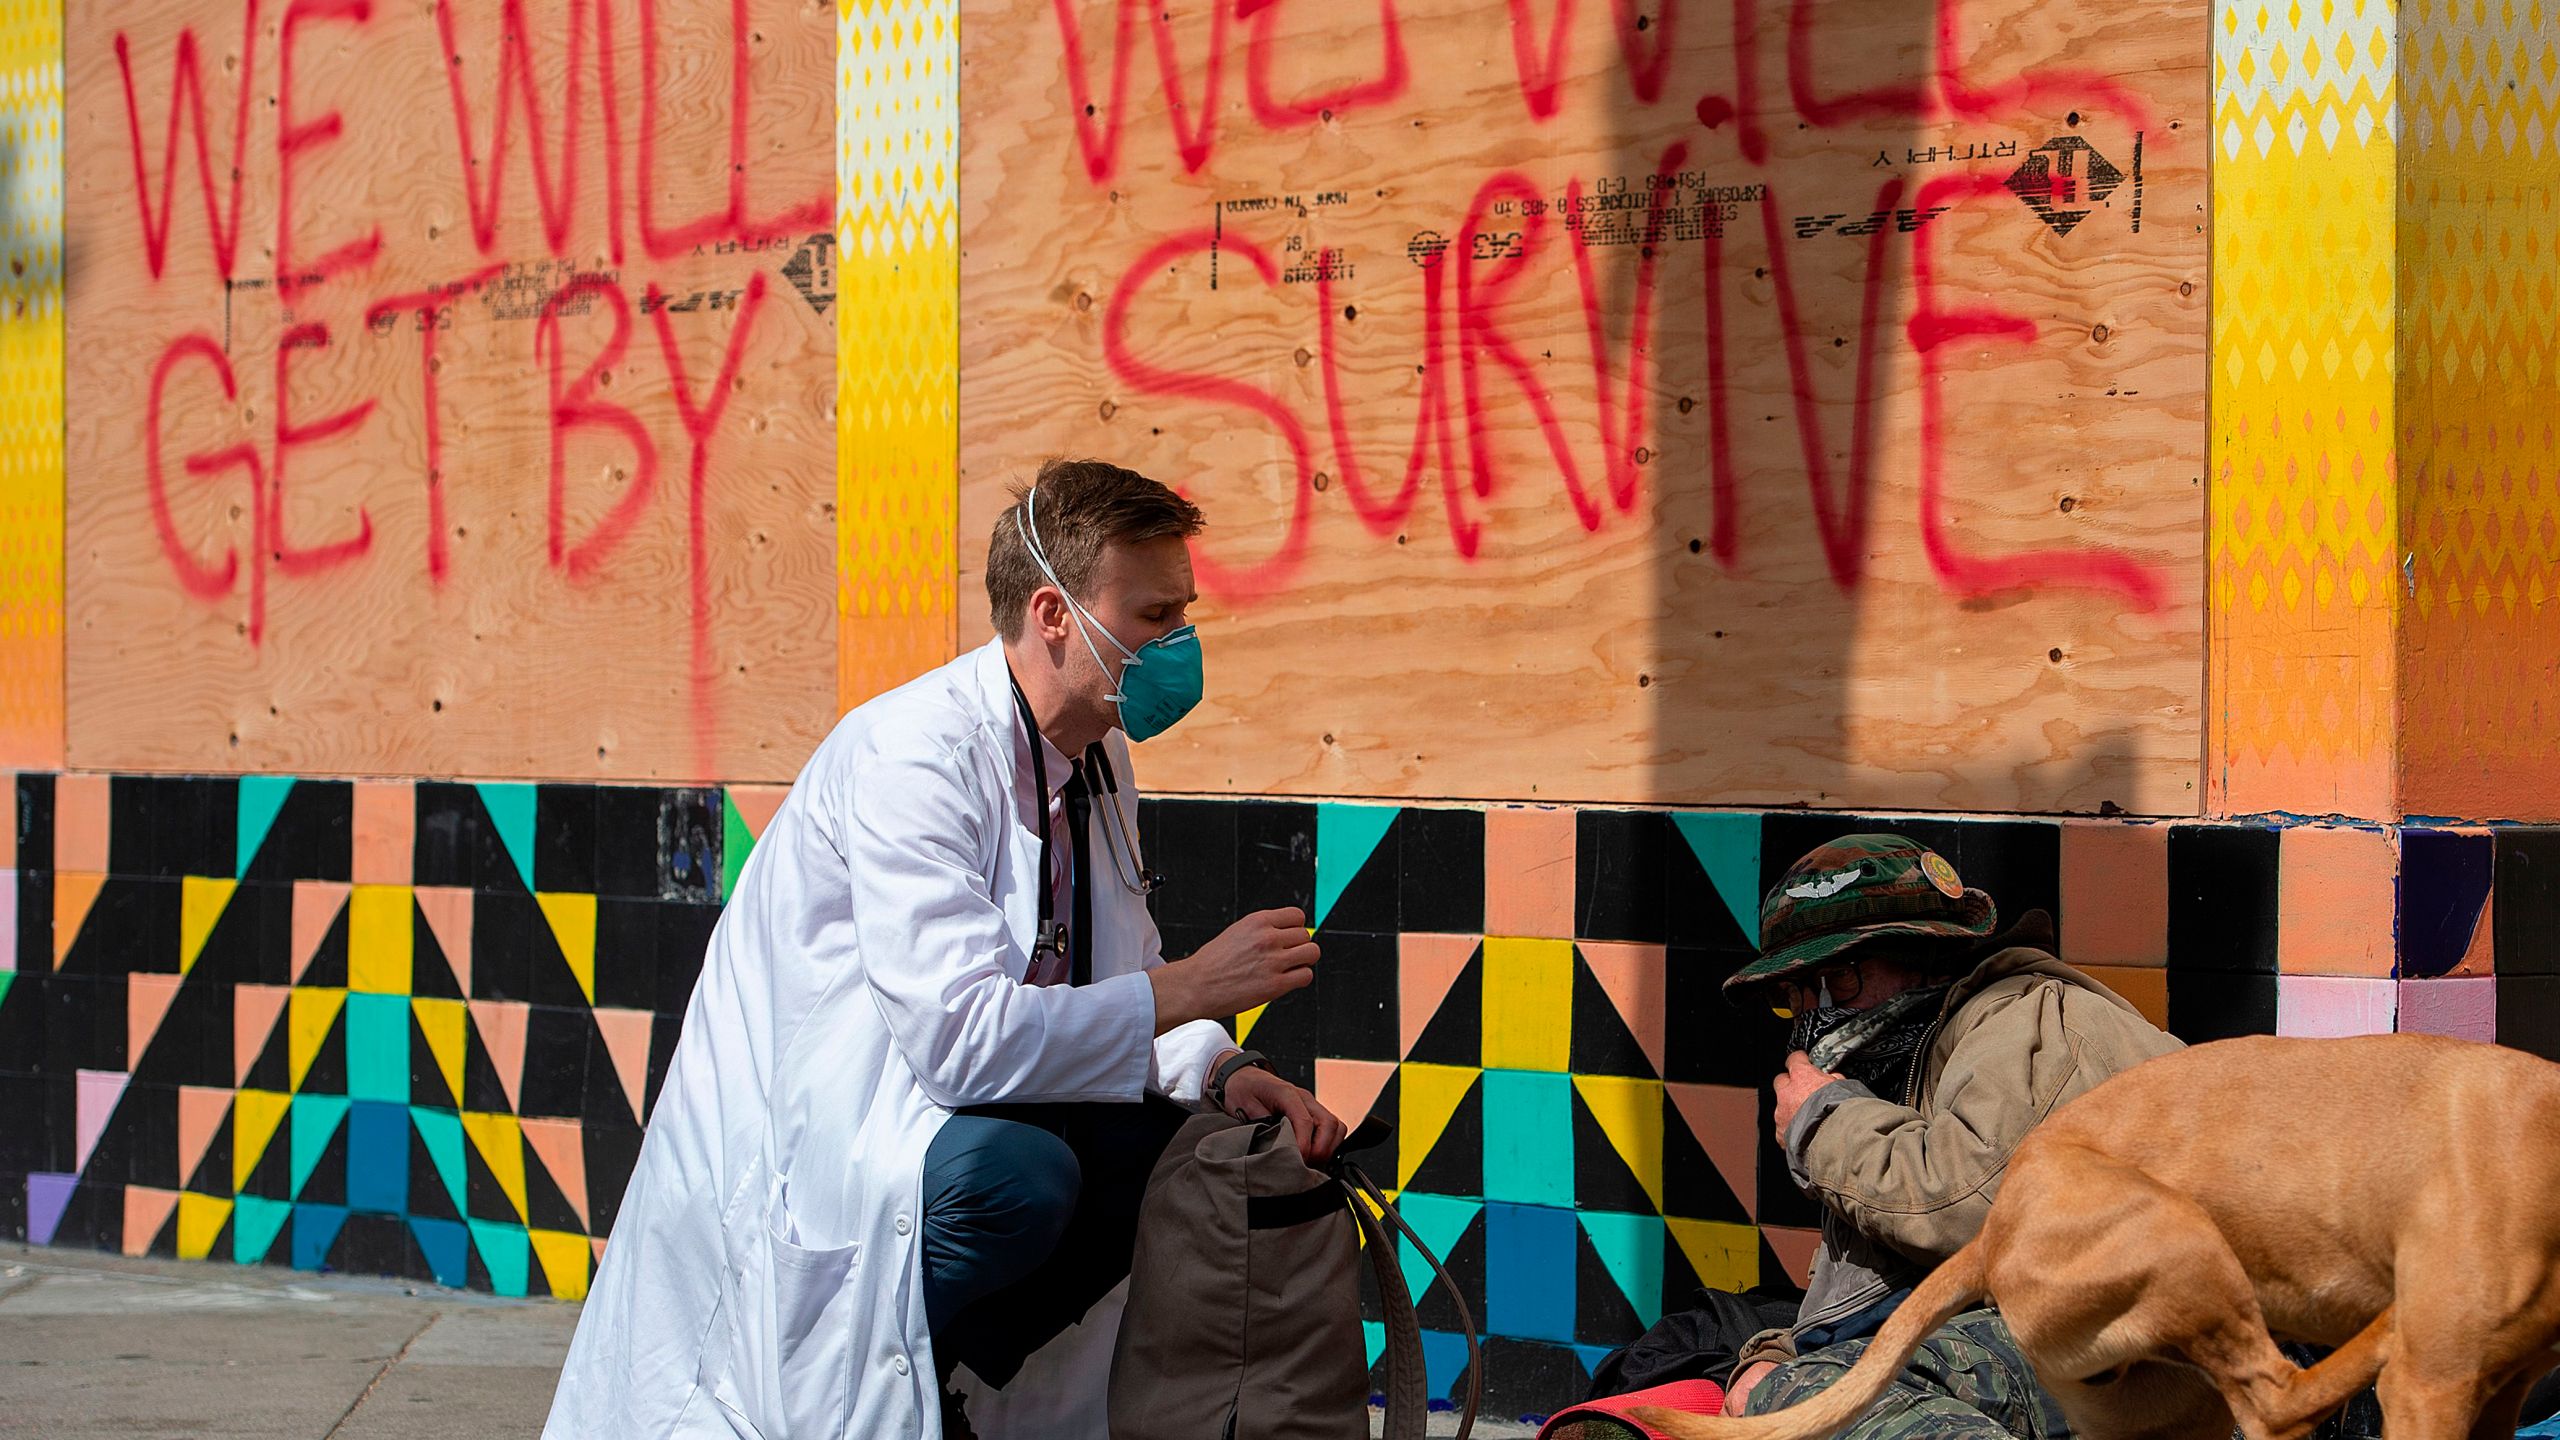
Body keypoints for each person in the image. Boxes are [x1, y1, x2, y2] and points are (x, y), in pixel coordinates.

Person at [544, 459, 1349, 1440]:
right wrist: (1188, 987)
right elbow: (962, 1041)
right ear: (1055, 615)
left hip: (962, 1105)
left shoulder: (1094, 754)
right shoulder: (915, 753)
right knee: (1023, 1180)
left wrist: (1224, 1068)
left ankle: (947, 1386)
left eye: (1182, 613)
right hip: (834, 1137)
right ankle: (886, 1371)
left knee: (1178, 1147)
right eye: (1152, 615)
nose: (1177, 643)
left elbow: (1114, 971)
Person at [1579, 834, 2183, 1440]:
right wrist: (1782, 1353)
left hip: (2178, 1346)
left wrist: (1822, 1123)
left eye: (1841, 979)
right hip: (2073, 1330)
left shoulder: (2025, 1019)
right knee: (1756, 1379)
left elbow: (1968, 1211)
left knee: (1813, 1396)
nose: (1817, 1014)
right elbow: (1886, 1281)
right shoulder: (1925, 1057)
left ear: (1924, 954)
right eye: (1794, 996)